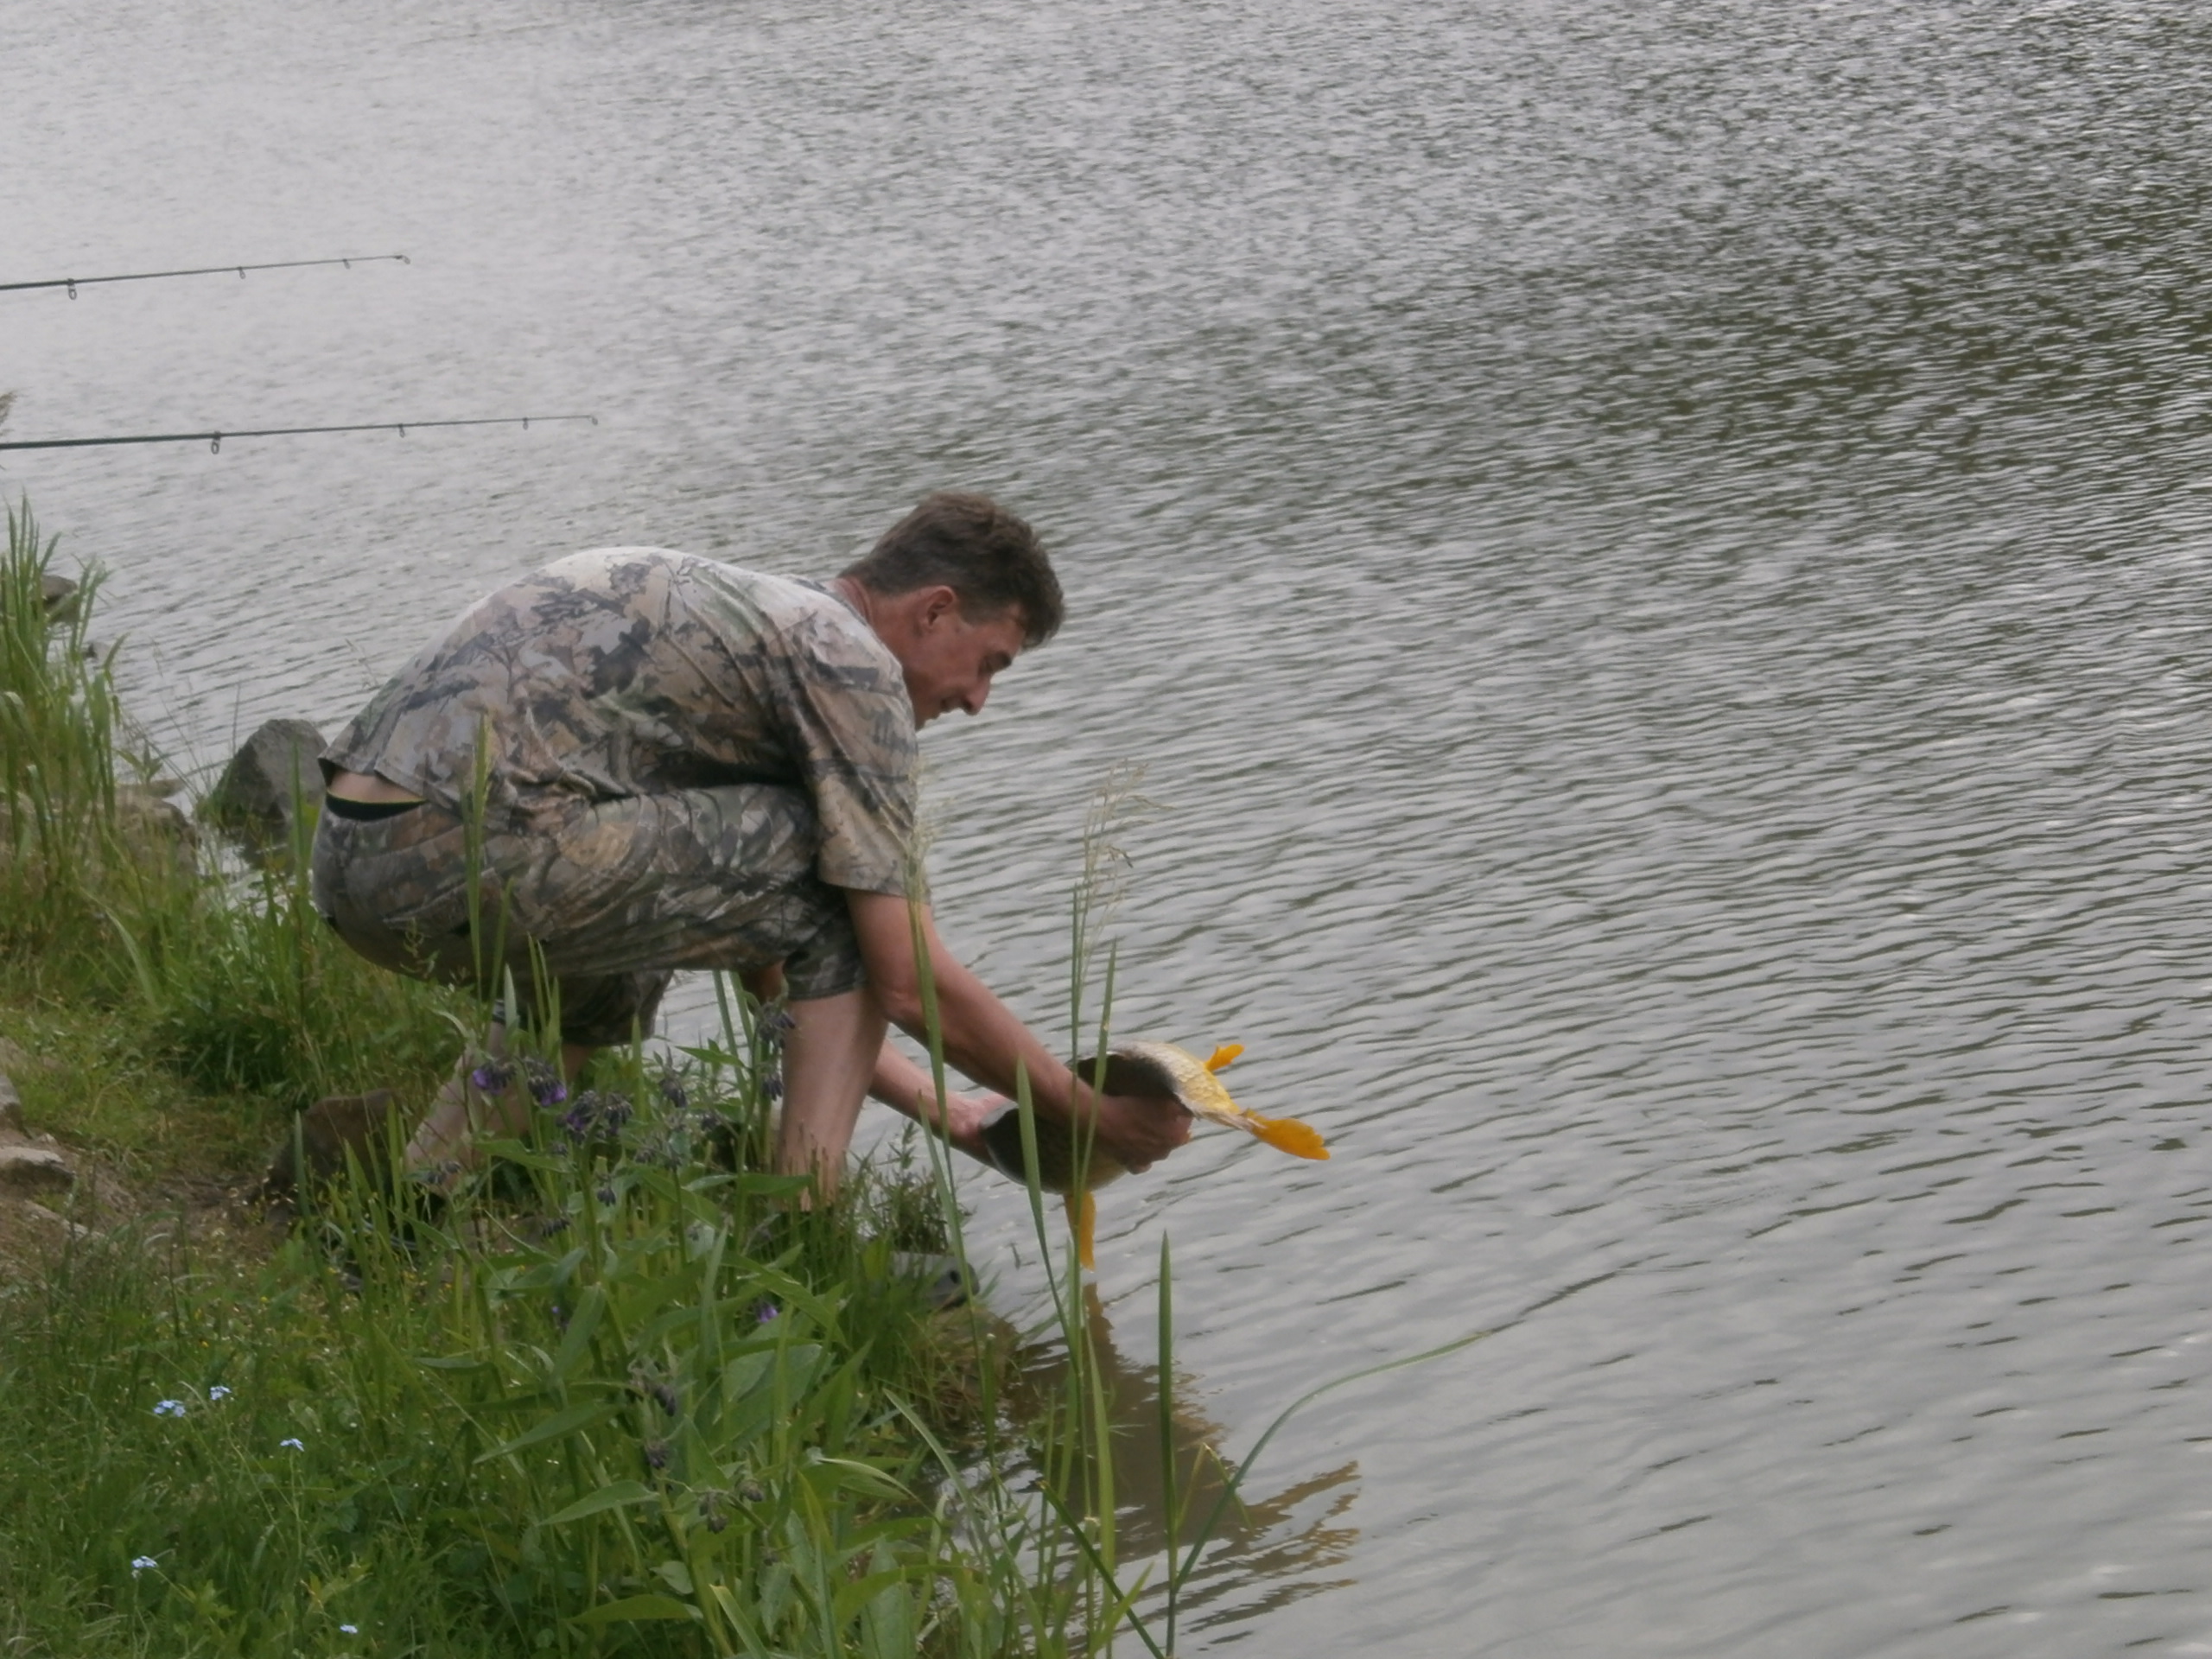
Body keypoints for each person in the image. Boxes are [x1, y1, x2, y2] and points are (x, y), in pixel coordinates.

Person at [309, 491, 1192, 1192]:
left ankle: (426, 1193)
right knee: (841, 878)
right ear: (935, 610)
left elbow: (755, 938)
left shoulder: (762, 621)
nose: (976, 701)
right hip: (453, 862)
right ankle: (802, 1223)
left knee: (656, 930)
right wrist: (1089, 1116)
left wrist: (950, 1112)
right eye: (991, 661)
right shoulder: (852, 665)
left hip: (354, 862)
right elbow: (906, 979)